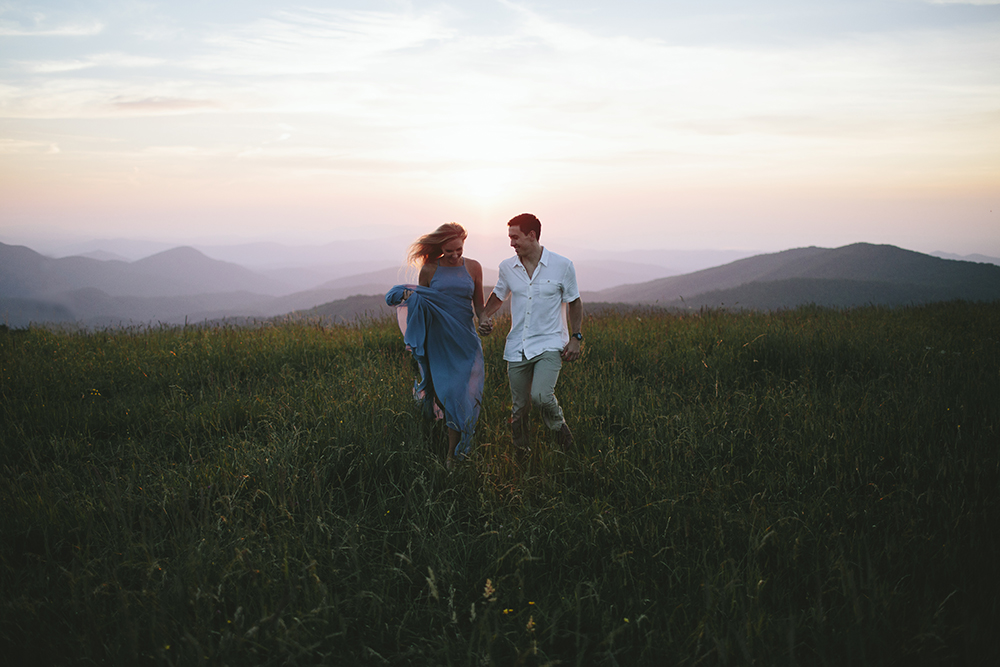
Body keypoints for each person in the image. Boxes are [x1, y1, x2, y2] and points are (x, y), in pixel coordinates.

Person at [478, 213, 582, 455]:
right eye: (510, 238)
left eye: (515, 237)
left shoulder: (562, 265)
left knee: (541, 397)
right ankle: (522, 452)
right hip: (517, 346)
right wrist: (484, 317)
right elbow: (498, 295)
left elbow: (574, 301)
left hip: (550, 343)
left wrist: (576, 338)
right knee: (520, 407)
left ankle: (563, 438)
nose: (511, 243)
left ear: (532, 235)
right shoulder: (507, 267)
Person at [385, 223, 487, 468]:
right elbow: (422, 306)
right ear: (440, 246)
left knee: (460, 396)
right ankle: (452, 446)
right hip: (439, 341)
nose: (454, 255)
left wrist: (485, 321)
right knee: (446, 394)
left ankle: (454, 455)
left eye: (459, 250)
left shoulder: (473, 267)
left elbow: (480, 307)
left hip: (466, 341)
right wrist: (416, 337)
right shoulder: (430, 269)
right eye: (449, 251)